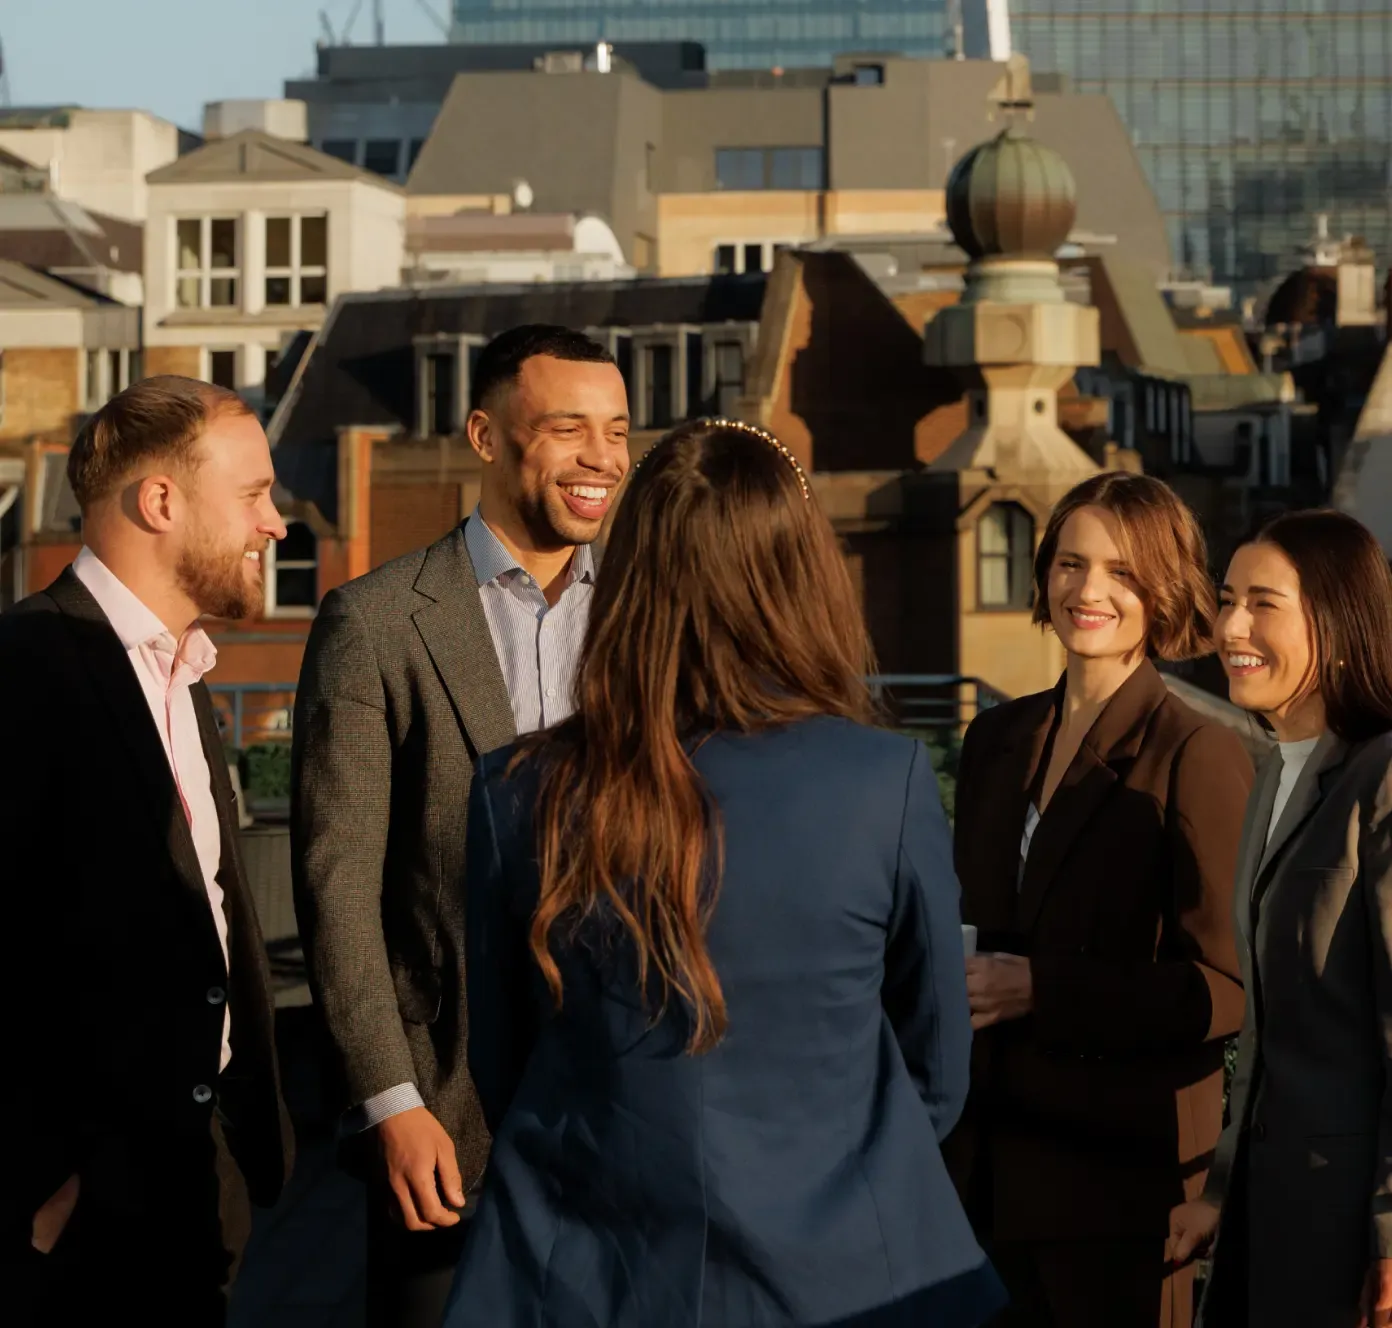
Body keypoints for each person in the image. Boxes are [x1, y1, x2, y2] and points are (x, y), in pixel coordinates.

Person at [445, 418, 1005, 1328]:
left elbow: (505, 1063)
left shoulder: (518, 789)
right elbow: (937, 1070)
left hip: (591, 1271)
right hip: (845, 1276)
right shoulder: (884, 783)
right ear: (801, 577)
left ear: (632, 578)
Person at [292, 324, 631, 1327]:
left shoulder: (646, 621)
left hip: (625, 1111)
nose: (603, 456)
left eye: (616, 429)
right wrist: (391, 1101)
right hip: (446, 1121)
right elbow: (337, 884)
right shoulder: (378, 621)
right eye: (569, 427)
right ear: (486, 433)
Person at [0, 376, 294, 1325]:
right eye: (252, 494)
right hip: (76, 1223)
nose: (277, 524)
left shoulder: (184, 674)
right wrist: (42, 1188)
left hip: (197, 1186)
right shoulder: (25, 670)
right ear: (160, 501)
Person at [947, 472, 1253, 1328]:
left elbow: (1224, 989)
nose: (1090, 591)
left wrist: (1044, 988)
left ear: (1165, 591)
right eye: (1072, 564)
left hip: (1118, 1189)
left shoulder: (1202, 751)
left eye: (1123, 572)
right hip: (983, 1178)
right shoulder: (995, 738)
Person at [1168, 510, 1392, 1328]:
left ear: (1336, 621)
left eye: (1263, 603)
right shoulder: (1272, 774)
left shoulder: (1383, 777)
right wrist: (1222, 1190)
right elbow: (1268, 1033)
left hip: (1349, 1228)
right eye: (1227, 600)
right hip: (1274, 1211)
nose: (1231, 627)